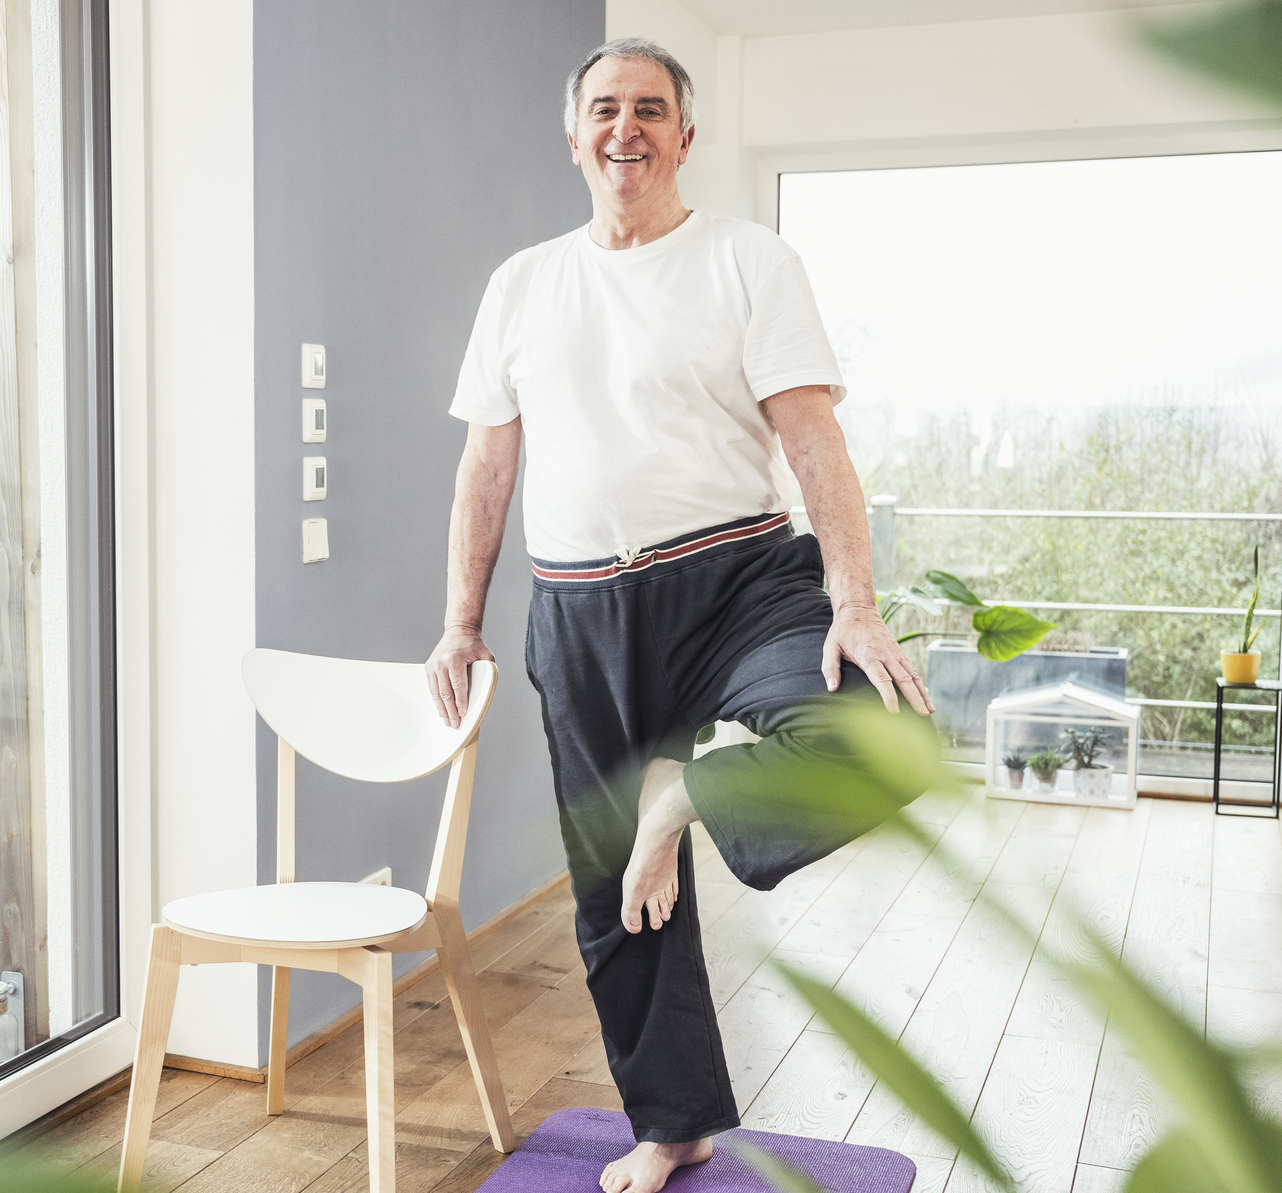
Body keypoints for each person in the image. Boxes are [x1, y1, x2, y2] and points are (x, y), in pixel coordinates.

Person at [423, 37, 933, 1193]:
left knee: (888, 738)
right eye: (605, 108)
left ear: (684, 137)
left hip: (740, 585)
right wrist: (461, 620)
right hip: (581, 608)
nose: (626, 128)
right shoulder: (522, 285)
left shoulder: (746, 261)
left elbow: (813, 437)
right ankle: (676, 1122)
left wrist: (855, 600)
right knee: (614, 889)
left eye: (651, 109)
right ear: (574, 135)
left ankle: (690, 785)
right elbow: (485, 471)